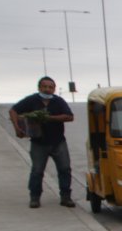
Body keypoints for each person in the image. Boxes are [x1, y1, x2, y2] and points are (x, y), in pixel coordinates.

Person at [10, 76, 75, 208]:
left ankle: (66, 197)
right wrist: (17, 127)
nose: (47, 89)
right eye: (45, 86)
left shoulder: (58, 101)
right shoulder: (32, 100)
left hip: (58, 142)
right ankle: (35, 198)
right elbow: (13, 110)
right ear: (39, 87)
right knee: (37, 171)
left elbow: (69, 116)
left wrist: (49, 118)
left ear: (54, 89)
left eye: (50, 87)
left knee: (65, 169)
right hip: (38, 143)